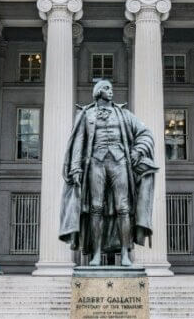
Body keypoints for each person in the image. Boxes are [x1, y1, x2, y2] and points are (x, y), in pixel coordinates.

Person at [58, 79, 157, 266]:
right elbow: (78, 142)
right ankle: (95, 254)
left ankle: (125, 253)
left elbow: (146, 133)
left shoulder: (124, 114)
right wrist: (75, 168)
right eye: (106, 88)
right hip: (96, 162)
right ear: (97, 92)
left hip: (120, 163)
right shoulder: (86, 114)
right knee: (95, 208)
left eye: (111, 88)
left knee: (124, 208)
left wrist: (137, 151)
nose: (111, 91)